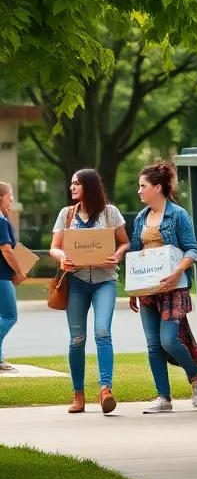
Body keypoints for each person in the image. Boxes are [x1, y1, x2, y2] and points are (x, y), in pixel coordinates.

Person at [49, 169, 129, 414]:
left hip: (105, 281)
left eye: (76, 184)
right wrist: (63, 257)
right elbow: (55, 247)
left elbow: (125, 242)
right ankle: (78, 394)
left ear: (89, 186)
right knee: (77, 340)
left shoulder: (110, 213)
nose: (71, 188)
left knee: (103, 332)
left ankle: (106, 389)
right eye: (71, 183)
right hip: (77, 282)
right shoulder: (67, 214)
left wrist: (116, 256)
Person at [130, 162, 197, 413]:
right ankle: (163, 397)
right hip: (148, 290)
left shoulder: (178, 215)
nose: (139, 191)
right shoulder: (141, 218)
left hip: (174, 288)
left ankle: (195, 375)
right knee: (153, 345)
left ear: (158, 187)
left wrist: (176, 274)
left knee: (169, 341)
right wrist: (133, 289)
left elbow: (193, 249)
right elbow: (135, 254)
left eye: (143, 186)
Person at [0, 181, 27, 373]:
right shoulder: (1, 221)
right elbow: (7, 250)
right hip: (2, 277)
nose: (12, 199)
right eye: (10, 196)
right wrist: (19, 272)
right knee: (10, 316)